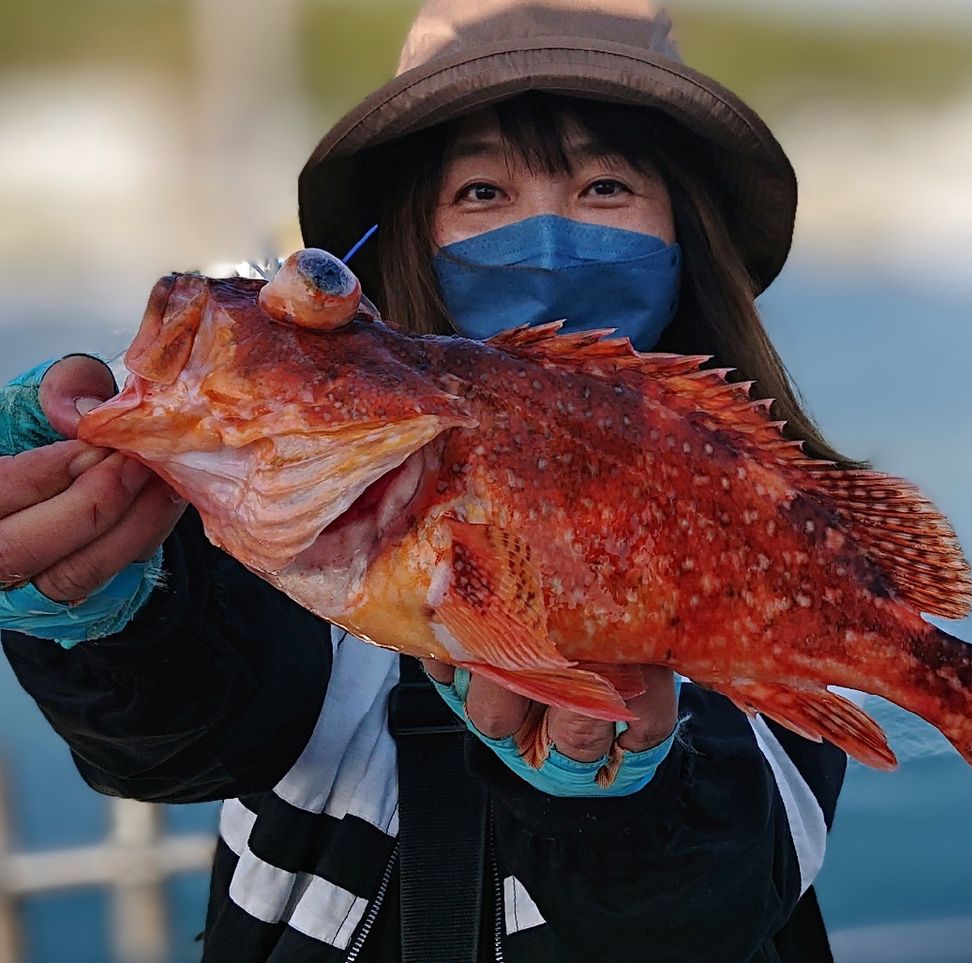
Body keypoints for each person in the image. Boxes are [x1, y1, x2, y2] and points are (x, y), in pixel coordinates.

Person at [0, 1, 870, 960]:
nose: (546, 238)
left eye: (607, 184)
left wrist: (626, 795)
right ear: (407, 235)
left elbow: (717, 906)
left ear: (687, 233)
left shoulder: (775, 519)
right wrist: (107, 604)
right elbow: (184, 738)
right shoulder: (298, 495)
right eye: (484, 192)